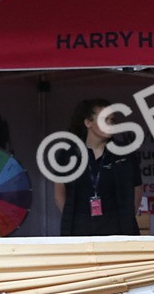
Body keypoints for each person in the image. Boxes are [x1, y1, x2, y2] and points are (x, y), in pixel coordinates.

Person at [54, 99, 144, 236]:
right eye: (104, 119)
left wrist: (126, 217)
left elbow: (137, 189)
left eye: (112, 120)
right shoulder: (68, 154)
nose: (110, 124)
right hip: (79, 227)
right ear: (88, 123)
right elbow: (59, 192)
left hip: (117, 227)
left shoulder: (124, 153)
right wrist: (73, 217)